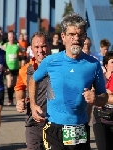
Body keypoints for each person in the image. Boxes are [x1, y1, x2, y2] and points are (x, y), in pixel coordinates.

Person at [29, 13, 108, 150]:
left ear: (84, 37)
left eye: (80, 34)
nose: (76, 38)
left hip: (78, 127)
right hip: (54, 127)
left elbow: (104, 97)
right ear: (63, 37)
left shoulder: (93, 65)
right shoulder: (51, 61)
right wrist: (33, 104)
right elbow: (33, 80)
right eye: (72, 34)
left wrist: (95, 99)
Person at [14, 32, 49, 150]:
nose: (40, 50)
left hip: (56, 123)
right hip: (34, 123)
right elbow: (19, 88)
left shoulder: (58, 66)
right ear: (31, 48)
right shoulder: (25, 70)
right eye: (37, 47)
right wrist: (20, 100)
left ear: (48, 46)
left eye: (43, 46)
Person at [93, 51, 113, 150]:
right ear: (106, 65)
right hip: (100, 119)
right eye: (112, 62)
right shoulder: (100, 78)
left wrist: (103, 96)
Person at [4, 31, 20, 106]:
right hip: (8, 67)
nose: (11, 38)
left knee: (14, 84)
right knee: (9, 83)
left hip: (15, 67)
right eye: (10, 37)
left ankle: (12, 98)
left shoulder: (17, 46)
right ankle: (10, 99)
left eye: (12, 37)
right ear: (8, 37)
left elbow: (21, 54)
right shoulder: (5, 46)